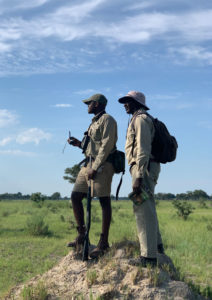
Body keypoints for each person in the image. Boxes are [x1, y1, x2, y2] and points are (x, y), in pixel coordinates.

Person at [67, 93, 117, 259]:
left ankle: (104, 242)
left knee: (104, 201)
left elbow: (106, 146)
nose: (87, 106)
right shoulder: (94, 122)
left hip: (102, 165)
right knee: (75, 196)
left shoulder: (108, 120)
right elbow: (92, 146)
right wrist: (78, 144)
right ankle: (82, 235)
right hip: (88, 164)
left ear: (96, 104)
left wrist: (95, 167)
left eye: (89, 103)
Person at [118, 90, 164, 267]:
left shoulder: (141, 119)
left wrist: (137, 176)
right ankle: (157, 247)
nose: (125, 105)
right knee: (148, 207)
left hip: (143, 169)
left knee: (142, 210)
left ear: (137, 103)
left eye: (128, 101)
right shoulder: (138, 118)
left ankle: (148, 257)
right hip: (145, 168)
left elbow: (142, 150)